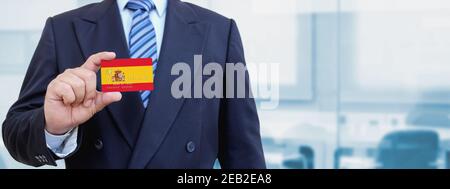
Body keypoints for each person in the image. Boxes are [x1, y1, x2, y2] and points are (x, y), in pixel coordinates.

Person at [2, 0, 265, 169]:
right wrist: (53, 127)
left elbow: (244, 155)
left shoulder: (220, 30)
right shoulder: (63, 29)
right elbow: (16, 134)